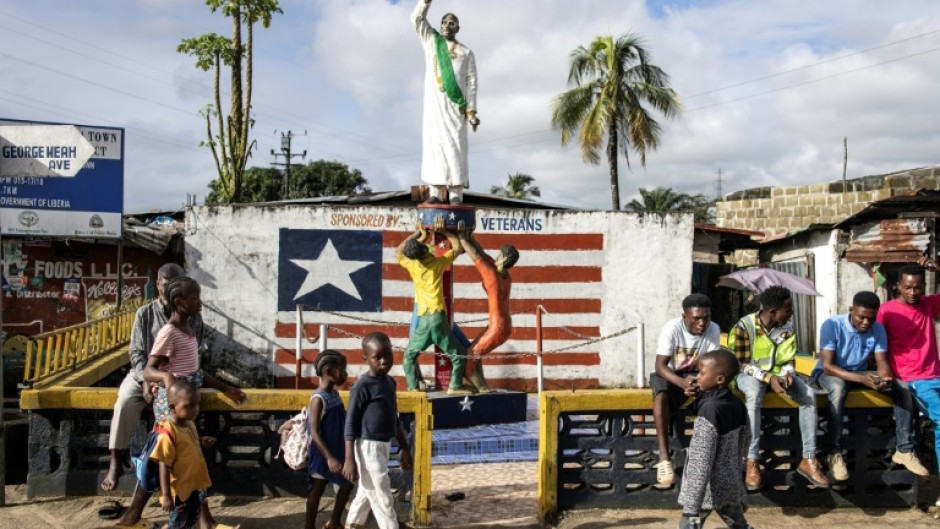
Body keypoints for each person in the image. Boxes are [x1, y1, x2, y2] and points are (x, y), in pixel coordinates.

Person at [139, 277, 247, 528]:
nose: (200, 303)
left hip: (189, 400)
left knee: (192, 458)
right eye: (195, 299)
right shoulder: (169, 332)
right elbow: (148, 370)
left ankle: (204, 520)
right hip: (173, 403)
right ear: (179, 303)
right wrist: (167, 377)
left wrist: (225, 388)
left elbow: (196, 370)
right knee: (177, 462)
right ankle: (178, 514)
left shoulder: (189, 329)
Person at [812, 291, 928, 481]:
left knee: (902, 388)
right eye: (861, 317)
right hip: (829, 373)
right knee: (839, 388)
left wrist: (883, 378)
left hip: (859, 372)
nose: (866, 322)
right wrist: (862, 380)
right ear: (851, 310)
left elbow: (881, 360)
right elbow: (827, 366)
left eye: (871, 318)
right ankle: (834, 452)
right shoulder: (832, 325)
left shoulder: (878, 329)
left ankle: (905, 450)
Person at [729, 285, 829, 490]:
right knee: (754, 395)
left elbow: (788, 358)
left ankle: (808, 459)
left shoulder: (787, 326)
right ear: (772, 312)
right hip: (748, 374)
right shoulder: (743, 326)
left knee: (808, 395)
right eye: (788, 309)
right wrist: (768, 378)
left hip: (777, 375)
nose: (791, 312)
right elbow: (739, 364)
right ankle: (752, 460)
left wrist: (788, 373)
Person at [102, 263, 191, 492]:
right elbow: (136, 352)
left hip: (174, 375)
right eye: (166, 284)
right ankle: (115, 460)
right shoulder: (145, 313)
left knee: (175, 414)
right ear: (158, 283)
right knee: (123, 403)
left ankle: (166, 472)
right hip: (143, 373)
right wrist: (146, 381)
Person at [343, 332, 414, 529]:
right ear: (365, 359)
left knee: (367, 490)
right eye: (377, 357)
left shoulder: (390, 383)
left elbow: (394, 418)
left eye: (388, 355)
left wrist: (404, 447)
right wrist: (349, 459)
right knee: (381, 491)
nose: (384, 361)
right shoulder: (361, 386)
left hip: (384, 444)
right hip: (367, 446)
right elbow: (350, 423)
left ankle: (353, 524)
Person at [650, 294, 721, 487]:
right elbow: (660, 366)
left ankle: (711, 459)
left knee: (719, 399)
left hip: (698, 376)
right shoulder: (672, 328)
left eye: (706, 317)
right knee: (661, 396)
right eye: (696, 318)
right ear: (685, 316)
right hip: (671, 375)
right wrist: (682, 384)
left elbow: (713, 364)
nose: (702, 323)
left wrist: (699, 382)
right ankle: (664, 458)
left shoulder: (713, 328)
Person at [412, 0, 479, 204]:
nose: (447, 26)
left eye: (451, 23)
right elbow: (416, 19)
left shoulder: (466, 52)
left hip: (456, 108)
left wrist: (471, 111)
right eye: (444, 22)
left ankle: (456, 193)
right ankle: (434, 191)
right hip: (434, 108)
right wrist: (425, 2)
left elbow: (471, 82)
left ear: (458, 28)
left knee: (456, 146)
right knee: (435, 146)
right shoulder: (431, 41)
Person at [877, 258, 940, 476]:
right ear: (898, 286)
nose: (913, 292)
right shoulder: (886, 311)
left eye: (918, 288)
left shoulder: (928, 305)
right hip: (912, 380)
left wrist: (937, 268)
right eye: (908, 287)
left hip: (935, 376)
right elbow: (876, 347)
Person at [677, 349, 751, 529]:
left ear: (719, 379)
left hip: (705, 491)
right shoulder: (737, 404)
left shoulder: (710, 410)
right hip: (731, 485)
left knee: (690, 524)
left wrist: (691, 506)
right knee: (738, 523)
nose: (697, 376)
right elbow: (746, 440)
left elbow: (701, 461)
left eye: (702, 372)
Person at [151, 380, 239, 529]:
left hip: (193, 484)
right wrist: (166, 495)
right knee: (179, 523)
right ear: (173, 407)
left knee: (191, 517)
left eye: (197, 404)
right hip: (179, 490)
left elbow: (184, 444)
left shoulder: (189, 423)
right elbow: (164, 465)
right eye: (190, 406)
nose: (196, 410)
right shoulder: (167, 434)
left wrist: (200, 440)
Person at [398, 218, 472, 394]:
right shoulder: (437, 264)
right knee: (458, 353)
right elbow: (457, 248)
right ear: (425, 251)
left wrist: (419, 235)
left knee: (409, 356)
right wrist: (446, 232)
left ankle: (413, 387)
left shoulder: (412, 265)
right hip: (437, 317)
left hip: (423, 318)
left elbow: (398, 252)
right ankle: (454, 386)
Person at [456, 220, 519, 393]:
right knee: (475, 353)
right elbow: (482, 253)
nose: (496, 256)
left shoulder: (491, 275)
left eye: (499, 255)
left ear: (504, 259)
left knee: (469, 357)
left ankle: (479, 387)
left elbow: (476, 256)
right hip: (502, 324)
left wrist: (461, 237)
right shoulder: (505, 275)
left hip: (497, 327)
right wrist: (470, 236)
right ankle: (482, 386)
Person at [304, 350, 354, 529]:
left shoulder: (335, 395)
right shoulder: (318, 398)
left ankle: (333, 522)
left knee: (347, 484)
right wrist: (329, 457)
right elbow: (314, 432)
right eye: (342, 370)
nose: (346, 374)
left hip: (337, 450)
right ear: (330, 371)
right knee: (317, 489)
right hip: (322, 453)